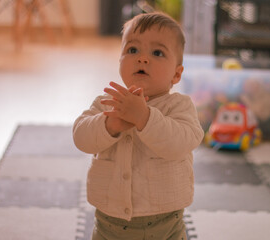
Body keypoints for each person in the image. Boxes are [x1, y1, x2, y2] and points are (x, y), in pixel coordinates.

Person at [73, 12, 204, 240]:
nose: (143, 58)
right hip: (109, 223)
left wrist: (145, 118)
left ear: (176, 74)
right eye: (132, 50)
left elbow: (181, 143)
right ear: (120, 60)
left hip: (165, 223)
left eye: (157, 53)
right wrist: (109, 124)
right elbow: (80, 137)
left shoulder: (179, 106)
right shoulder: (107, 103)